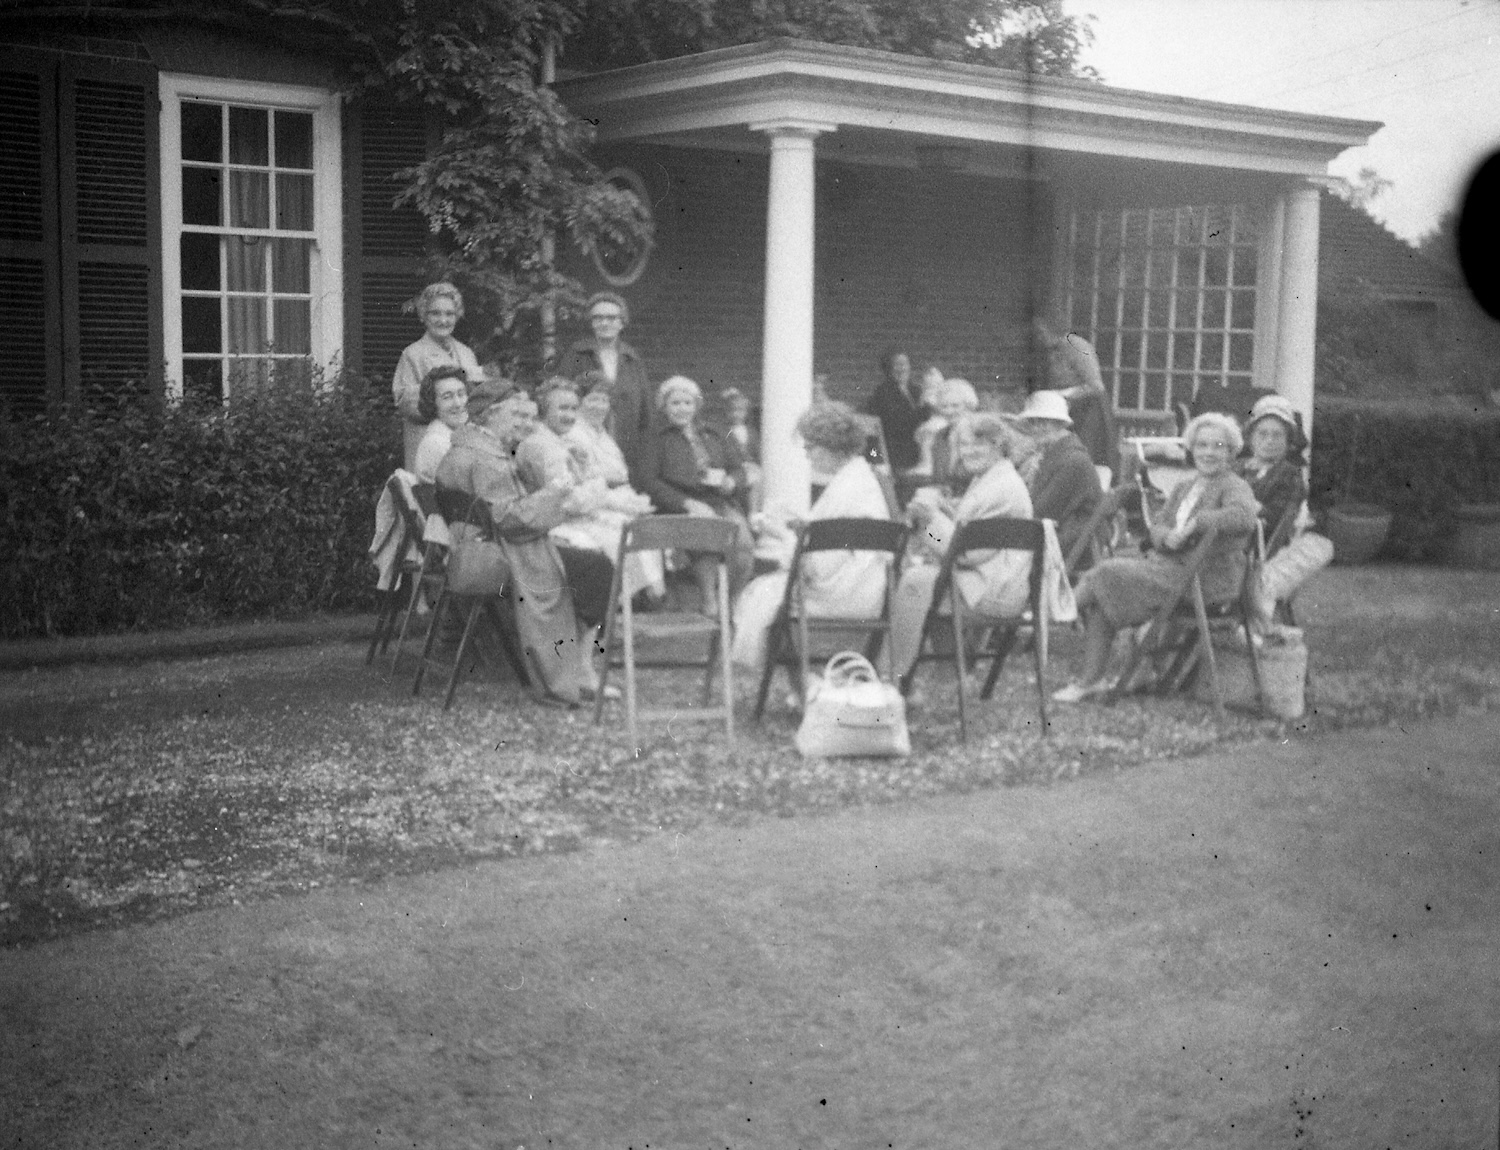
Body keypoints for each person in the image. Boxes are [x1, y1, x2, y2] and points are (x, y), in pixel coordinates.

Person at [1053, 412, 1258, 703]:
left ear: (1231, 451)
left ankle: (1055, 612)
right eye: (1202, 446)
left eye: (1218, 446)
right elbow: (1158, 524)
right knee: (1102, 596)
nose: (1209, 453)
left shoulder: (1234, 485)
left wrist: (1196, 523)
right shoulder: (1184, 487)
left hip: (1206, 579)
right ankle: (1090, 680)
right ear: (1192, 449)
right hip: (1174, 571)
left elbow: (1244, 516)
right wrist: (1166, 536)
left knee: (1108, 571)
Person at [435, 379, 614, 707]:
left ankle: (577, 670)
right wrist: (557, 489)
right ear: (491, 415)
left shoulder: (468, 449)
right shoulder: (486, 459)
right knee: (597, 566)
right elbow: (512, 521)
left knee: (589, 563)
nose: (522, 423)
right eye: (514, 415)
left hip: (484, 549)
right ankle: (571, 676)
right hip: (508, 557)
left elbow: (501, 510)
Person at [731, 401, 893, 674]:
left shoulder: (847, 489)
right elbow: (828, 539)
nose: (807, 455)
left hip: (838, 595)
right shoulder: (860, 480)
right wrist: (798, 528)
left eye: (811, 448)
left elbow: (816, 567)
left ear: (833, 446)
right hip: (870, 593)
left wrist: (781, 534)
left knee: (762, 594)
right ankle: (803, 687)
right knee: (769, 596)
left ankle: (802, 687)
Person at [890, 413, 1036, 685]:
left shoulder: (1001, 488)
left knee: (915, 581)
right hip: (988, 582)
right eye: (964, 445)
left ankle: (897, 677)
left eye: (979, 445)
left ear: (999, 446)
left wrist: (930, 519)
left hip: (993, 592)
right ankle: (950, 674)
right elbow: (971, 528)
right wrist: (945, 510)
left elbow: (965, 554)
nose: (968, 452)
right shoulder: (991, 478)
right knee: (925, 578)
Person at [518, 376, 664, 602]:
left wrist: (583, 466)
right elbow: (568, 501)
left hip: (564, 516)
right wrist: (599, 484)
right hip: (555, 523)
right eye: (562, 408)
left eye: (573, 409)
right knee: (623, 537)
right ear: (544, 410)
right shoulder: (543, 446)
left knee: (631, 533)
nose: (569, 415)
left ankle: (630, 603)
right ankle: (622, 607)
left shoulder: (556, 441)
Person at [637, 375, 755, 613]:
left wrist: (732, 480)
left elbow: (739, 468)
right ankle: (710, 602)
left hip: (718, 500)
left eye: (687, 403)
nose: (682, 409)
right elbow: (648, 481)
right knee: (706, 540)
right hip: (680, 505)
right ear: (664, 406)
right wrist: (686, 502)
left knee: (743, 547)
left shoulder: (714, 432)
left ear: (696, 405)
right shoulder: (656, 438)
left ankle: (730, 599)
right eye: (675, 403)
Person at [1238, 394, 1332, 625]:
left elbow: (1275, 515)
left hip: (1255, 547)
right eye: (1262, 434)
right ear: (1250, 438)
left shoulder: (1289, 474)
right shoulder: (1237, 468)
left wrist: (1241, 506)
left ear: (1289, 441)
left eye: (1277, 435)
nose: (1269, 440)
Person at [559, 291, 652, 483]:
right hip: (586, 445)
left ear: (622, 322)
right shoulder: (577, 354)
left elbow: (645, 412)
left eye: (611, 318)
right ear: (591, 322)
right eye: (598, 318)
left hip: (626, 446)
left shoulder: (631, 359)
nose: (604, 323)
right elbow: (561, 397)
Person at [392, 282, 481, 471]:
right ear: (424, 315)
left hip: (462, 444)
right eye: (435, 313)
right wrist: (441, 398)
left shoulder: (466, 353)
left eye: (449, 314)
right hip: (427, 442)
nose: (443, 320)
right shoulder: (412, 354)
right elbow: (404, 401)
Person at [1014, 389, 1103, 564]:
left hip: (1070, 544)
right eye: (1031, 423)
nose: (1032, 429)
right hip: (1064, 535)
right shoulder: (1056, 452)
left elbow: (1042, 512)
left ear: (1049, 424)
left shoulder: (1071, 460)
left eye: (1034, 423)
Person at [1031, 317, 1119, 478]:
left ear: (1053, 330)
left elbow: (1096, 387)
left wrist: (1063, 394)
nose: (1039, 337)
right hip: (1068, 410)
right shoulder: (1051, 350)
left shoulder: (1076, 346)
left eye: (1041, 332)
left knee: (1085, 454)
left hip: (1090, 412)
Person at [909, 377, 981, 496]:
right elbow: (938, 478)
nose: (949, 411)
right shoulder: (940, 436)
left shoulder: (978, 435)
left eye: (955, 406)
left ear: (968, 406)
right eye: (944, 406)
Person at [864, 350, 928, 472]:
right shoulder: (882, 393)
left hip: (920, 450)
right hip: (897, 455)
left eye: (905, 364)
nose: (902, 368)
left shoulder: (916, 390)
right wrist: (924, 410)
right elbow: (898, 422)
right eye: (897, 364)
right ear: (888, 368)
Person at [410, 365, 469, 484]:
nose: (458, 403)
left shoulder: (456, 436)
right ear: (433, 404)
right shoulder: (437, 443)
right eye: (447, 397)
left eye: (461, 394)